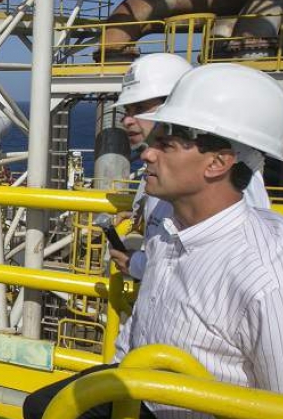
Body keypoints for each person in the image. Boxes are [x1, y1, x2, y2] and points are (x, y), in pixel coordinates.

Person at [23, 63, 283, 419]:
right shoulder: (172, 225)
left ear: (217, 163)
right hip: (152, 405)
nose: (146, 152)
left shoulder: (274, 273)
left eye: (166, 144)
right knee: (47, 409)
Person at [109, 52, 270, 281]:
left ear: (178, 105)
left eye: (139, 108)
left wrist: (136, 265)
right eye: (126, 111)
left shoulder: (234, 176)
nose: (127, 120)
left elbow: (211, 273)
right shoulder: (162, 168)